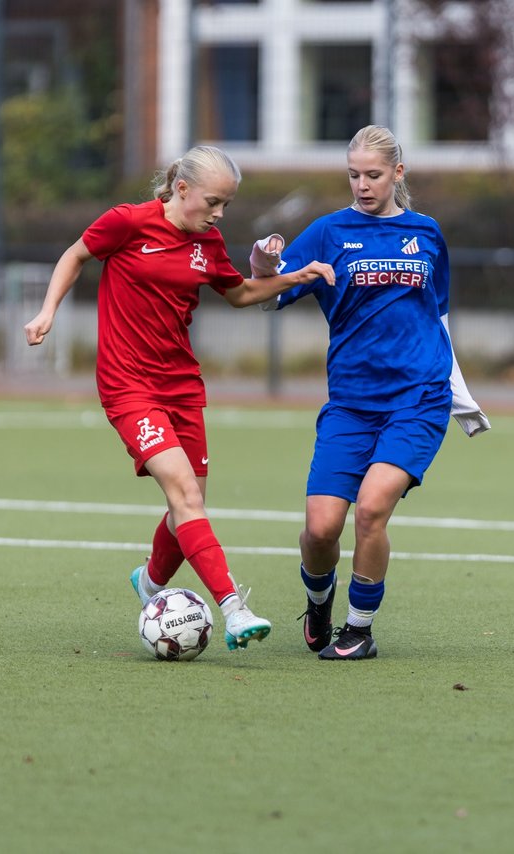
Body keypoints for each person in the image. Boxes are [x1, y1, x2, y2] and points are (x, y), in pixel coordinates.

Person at [23, 145, 334, 651]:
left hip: (182, 385)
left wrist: (295, 277)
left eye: (226, 205)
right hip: (128, 385)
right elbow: (75, 254)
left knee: (186, 508)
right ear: (181, 188)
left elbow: (236, 293)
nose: (219, 214)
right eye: (213, 201)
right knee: (186, 497)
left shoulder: (207, 242)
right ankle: (234, 607)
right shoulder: (128, 222)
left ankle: (149, 582)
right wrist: (47, 312)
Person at [250, 125, 491, 660]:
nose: (362, 184)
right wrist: (264, 263)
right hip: (352, 404)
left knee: (372, 508)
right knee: (320, 529)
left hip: (417, 400)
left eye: (374, 175)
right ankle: (318, 601)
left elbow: (438, 317)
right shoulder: (328, 233)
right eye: (354, 174)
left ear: (397, 174)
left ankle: (359, 629)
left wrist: (460, 394)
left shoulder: (427, 233)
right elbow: (267, 295)